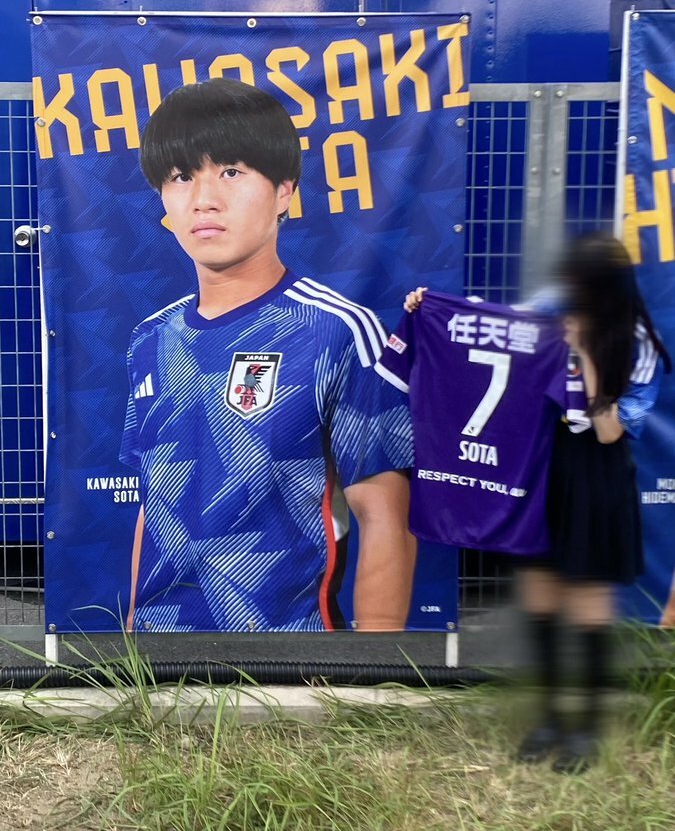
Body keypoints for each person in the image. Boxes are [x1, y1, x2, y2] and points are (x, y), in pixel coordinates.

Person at [121, 77, 416, 634]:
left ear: (284, 191)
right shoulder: (150, 339)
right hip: (161, 656)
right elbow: (152, 507)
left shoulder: (337, 331)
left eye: (231, 172)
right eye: (181, 176)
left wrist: (376, 674)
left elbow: (384, 518)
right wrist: (136, 635)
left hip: (292, 661)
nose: (204, 199)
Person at [404, 233, 669, 773]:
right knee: (542, 600)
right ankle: (550, 720)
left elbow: (611, 433)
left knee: (589, 606)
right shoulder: (554, 308)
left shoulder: (638, 340)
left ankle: (584, 730)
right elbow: (497, 323)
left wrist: (585, 356)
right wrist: (430, 307)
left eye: (582, 286)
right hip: (540, 464)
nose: (571, 294)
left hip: (597, 477)